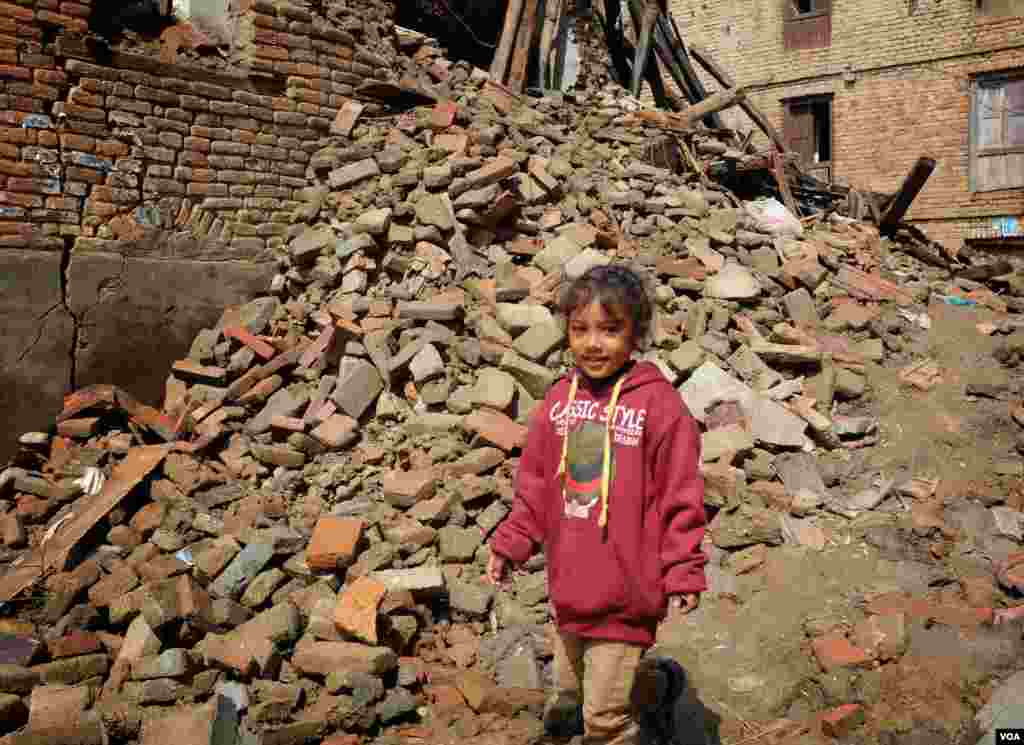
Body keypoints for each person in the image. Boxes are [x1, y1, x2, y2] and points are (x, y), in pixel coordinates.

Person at [487, 264, 708, 745]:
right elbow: (539, 485)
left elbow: (681, 492)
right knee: (570, 693)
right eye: (580, 329)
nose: (593, 343)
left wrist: (684, 568)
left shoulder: (658, 406)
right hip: (571, 590)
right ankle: (658, 686)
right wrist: (512, 543)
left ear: (637, 334)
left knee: (603, 721)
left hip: (628, 592)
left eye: (611, 330)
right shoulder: (562, 403)